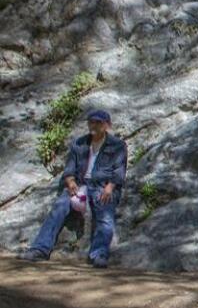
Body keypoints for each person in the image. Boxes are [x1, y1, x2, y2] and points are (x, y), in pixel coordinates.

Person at [18, 109, 127, 268]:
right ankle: (40, 249)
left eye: (98, 122)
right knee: (59, 207)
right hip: (81, 184)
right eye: (91, 122)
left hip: (103, 186)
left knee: (105, 216)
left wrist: (110, 187)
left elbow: (119, 171)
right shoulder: (79, 143)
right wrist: (70, 182)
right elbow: (69, 169)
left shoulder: (118, 145)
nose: (94, 125)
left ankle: (99, 255)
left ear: (107, 125)